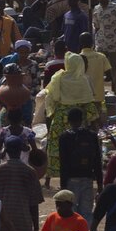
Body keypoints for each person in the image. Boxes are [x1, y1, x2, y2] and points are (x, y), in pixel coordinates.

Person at [46, 53, 101, 181]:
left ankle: (50, 178)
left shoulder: (59, 77)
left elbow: (51, 97)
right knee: (76, 148)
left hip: (60, 118)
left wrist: (52, 114)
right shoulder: (83, 80)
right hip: (77, 119)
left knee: (56, 146)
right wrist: (95, 120)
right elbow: (89, 102)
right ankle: (77, 175)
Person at [59, 107, 104, 227]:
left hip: (71, 179)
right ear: (82, 120)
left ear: (68, 120)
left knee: (70, 212)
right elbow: (97, 161)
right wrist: (100, 184)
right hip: (88, 178)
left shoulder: (65, 137)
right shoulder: (92, 135)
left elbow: (63, 163)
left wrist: (63, 186)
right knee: (86, 213)